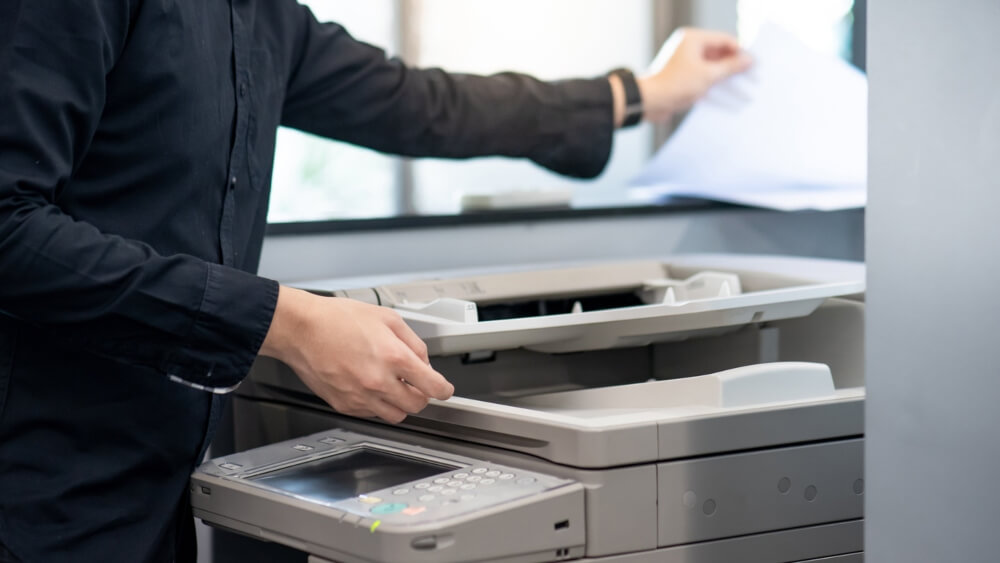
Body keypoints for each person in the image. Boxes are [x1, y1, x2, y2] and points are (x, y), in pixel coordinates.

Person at [0, 1, 751, 561]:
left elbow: (420, 104)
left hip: (154, 471)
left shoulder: (261, 17)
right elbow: (7, 227)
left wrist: (644, 92)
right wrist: (283, 321)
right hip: (33, 476)